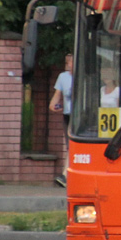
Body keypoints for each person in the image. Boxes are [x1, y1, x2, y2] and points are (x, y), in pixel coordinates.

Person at [49, 54, 73, 187]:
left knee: (72, 145)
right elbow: (57, 95)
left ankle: (66, 174)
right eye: (67, 62)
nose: (68, 65)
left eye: (70, 62)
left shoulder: (84, 75)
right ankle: (66, 175)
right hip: (68, 114)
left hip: (80, 117)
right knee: (70, 145)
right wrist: (53, 104)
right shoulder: (63, 77)